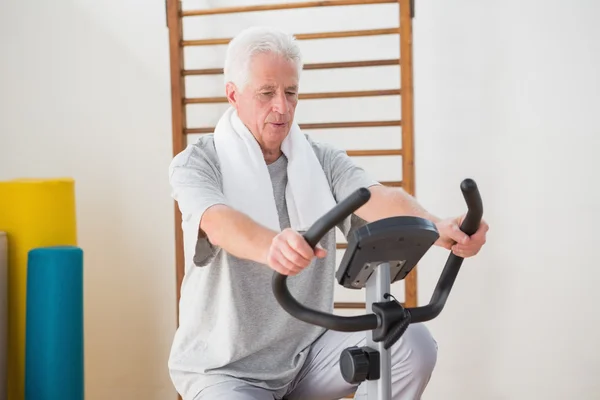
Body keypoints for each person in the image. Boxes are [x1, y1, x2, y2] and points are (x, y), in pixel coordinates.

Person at [167, 26, 489, 400]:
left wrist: (436, 225)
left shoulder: (319, 159)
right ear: (233, 95)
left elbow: (375, 196)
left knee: (411, 345)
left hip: (306, 357)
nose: (282, 107)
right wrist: (273, 244)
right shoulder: (197, 163)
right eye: (267, 93)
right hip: (224, 370)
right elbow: (218, 222)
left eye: (290, 93)